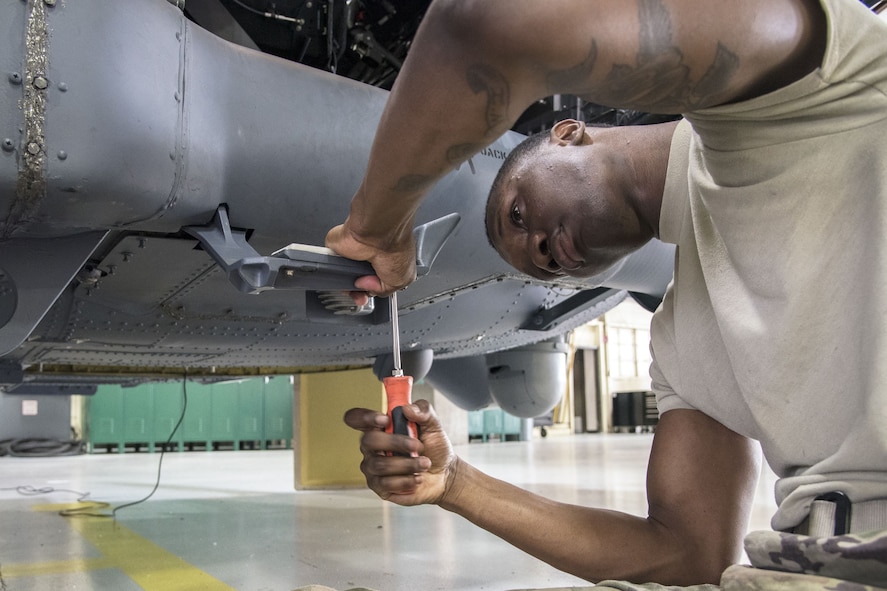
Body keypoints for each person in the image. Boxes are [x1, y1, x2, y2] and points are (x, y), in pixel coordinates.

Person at [328, 0, 887, 587]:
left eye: (519, 214)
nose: (541, 251)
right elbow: (686, 555)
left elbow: (487, 22)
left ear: (566, 134)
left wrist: (374, 226)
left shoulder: (797, 99)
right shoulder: (686, 343)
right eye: (542, 270)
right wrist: (454, 483)